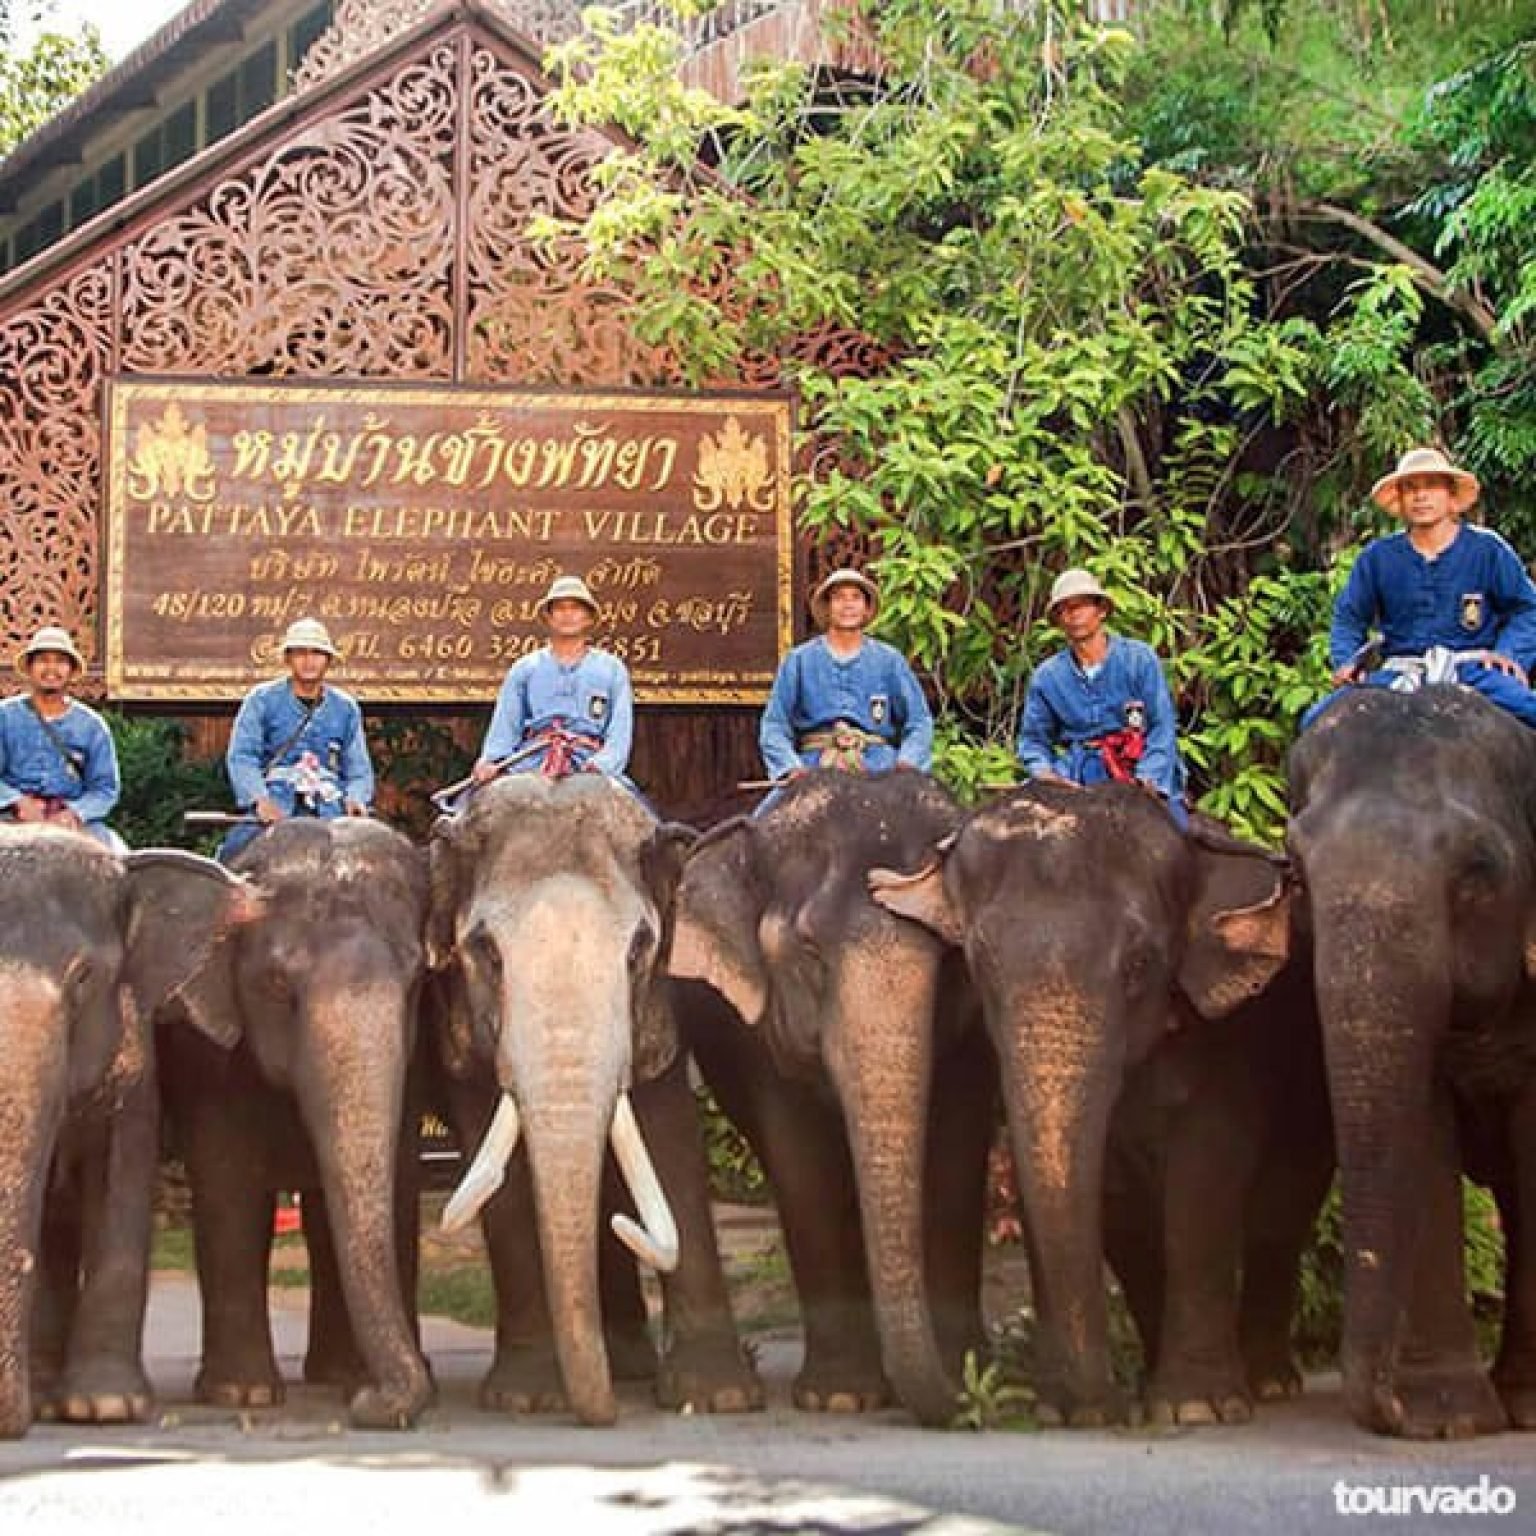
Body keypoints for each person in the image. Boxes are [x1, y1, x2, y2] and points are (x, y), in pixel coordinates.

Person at [1310, 445, 1536, 728]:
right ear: (1401, 500)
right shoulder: (1377, 557)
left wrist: (1508, 654)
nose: (1421, 496)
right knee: (1315, 721)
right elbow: (1349, 617)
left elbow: (1527, 609)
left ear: (1450, 496)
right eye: (1410, 488)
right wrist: (1347, 661)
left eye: (1432, 486)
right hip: (1400, 673)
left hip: (1474, 670)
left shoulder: (1488, 550)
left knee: (1530, 709)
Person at [1016, 568, 1188, 826]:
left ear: (1101, 610)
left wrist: (1147, 777)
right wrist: (1045, 773)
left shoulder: (1139, 659)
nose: (1073, 616)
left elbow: (1161, 726)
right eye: (1063, 609)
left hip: (1137, 765)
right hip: (1080, 773)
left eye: (1080, 606)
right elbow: (1033, 740)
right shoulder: (1047, 677)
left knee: (1176, 838)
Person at [759, 567, 933, 784]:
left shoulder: (890, 660)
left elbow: (919, 721)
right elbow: (775, 723)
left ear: (867, 608)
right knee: (768, 816)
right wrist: (790, 767)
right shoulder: (799, 660)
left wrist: (908, 762)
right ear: (827, 607)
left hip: (880, 766)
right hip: (813, 767)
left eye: (856, 597)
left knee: (926, 814)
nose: (848, 604)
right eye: (839, 597)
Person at [221, 617, 373, 859]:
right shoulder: (261, 699)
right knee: (234, 853)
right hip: (276, 800)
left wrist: (356, 798)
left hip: (330, 807)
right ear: (288, 658)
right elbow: (242, 756)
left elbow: (358, 768)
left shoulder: (345, 708)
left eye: (316, 653)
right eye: (300, 653)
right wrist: (259, 799)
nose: (308, 660)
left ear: (328, 660)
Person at [471, 574, 634, 787]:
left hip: (589, 760)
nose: (568, 615)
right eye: (560, 608)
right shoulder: (525, 668)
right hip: (531, 759)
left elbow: (620, 731)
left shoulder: (612, 669)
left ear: (588, 617)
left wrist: (603, 763)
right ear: (548, 617)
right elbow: (506, 723)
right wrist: (492, 760)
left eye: (575, 608)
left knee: (638, 815)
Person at [0, 625, 123, 848]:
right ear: (29, 668)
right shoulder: (5, 716)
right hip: (9, 818)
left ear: (71, 670)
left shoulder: (92, 726)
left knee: (120, 862)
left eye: (60, 661)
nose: (51, 668)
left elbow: (105, 789)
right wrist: (17, 801)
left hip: (72, 821)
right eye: (43, 660)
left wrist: (75, 813)